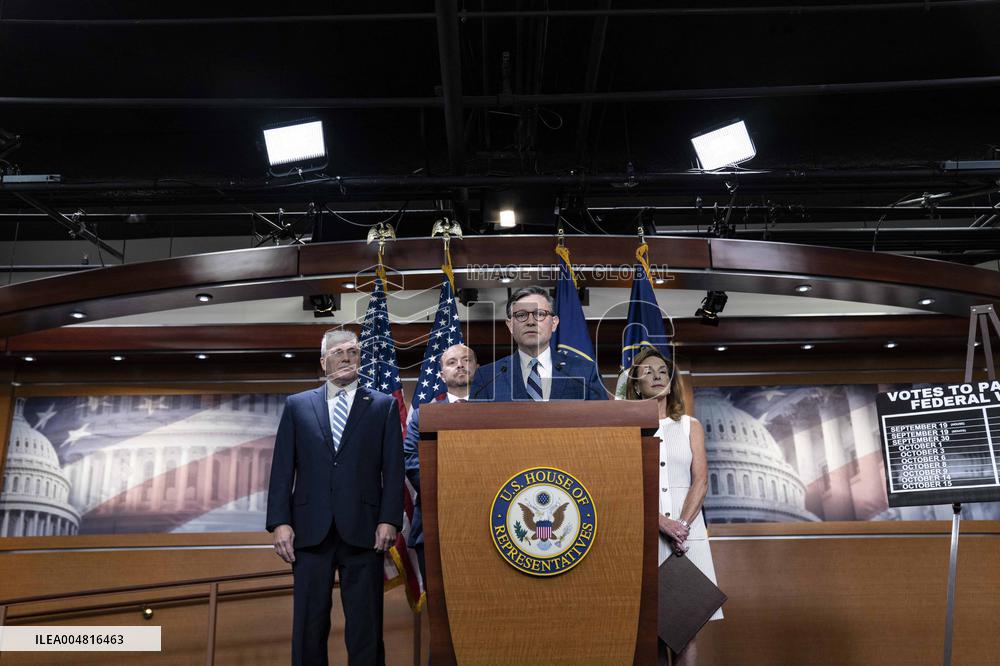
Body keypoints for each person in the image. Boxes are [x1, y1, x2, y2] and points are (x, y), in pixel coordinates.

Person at [266, 329, 404, 666]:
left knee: (366, 627)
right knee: (309, 626)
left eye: (353, 352)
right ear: (323, 360)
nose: (346, 358)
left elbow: (394, 469)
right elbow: (283, 467)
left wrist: (389, 519)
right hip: (310, 532)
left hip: (366, 531)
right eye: (338, 352)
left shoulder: (383, 406)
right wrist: (279, 523)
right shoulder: (298, 405)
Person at [624, 346, 721, 666]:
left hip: (688, 538)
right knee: (650, 630)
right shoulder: (626, 428)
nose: (657, 376)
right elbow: (624, 487)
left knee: (685, 627)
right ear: (635, 383)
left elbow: (701, 481)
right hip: (645, 535)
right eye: (648, 371)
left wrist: (682, 526)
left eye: (663, 372)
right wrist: (660, 523)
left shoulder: (690, 425)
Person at [402, 343, 478, 582]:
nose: (460, 366)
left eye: (466, 360)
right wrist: (449, 487)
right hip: (434, 521)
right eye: (452, 362)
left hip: (485, 518)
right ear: (442, 374)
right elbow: (410, 459)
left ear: (477, 367)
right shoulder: (423, 414)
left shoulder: (497, 409)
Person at [469, 286, 606, 401]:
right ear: (510, 325)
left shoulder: (585, 373)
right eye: (521, 315)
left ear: (554, 323)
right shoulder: (487, 377)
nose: (531, 322)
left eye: (539, 314)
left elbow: (603, 424)